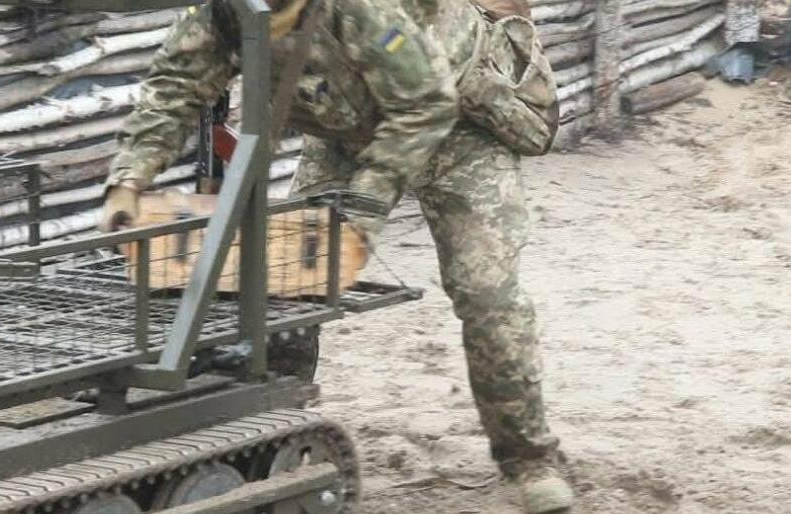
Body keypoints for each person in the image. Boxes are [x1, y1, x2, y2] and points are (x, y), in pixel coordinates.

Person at [98, 0, 572, 512]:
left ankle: (529, 459)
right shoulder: (222, 12)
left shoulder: (362, 9)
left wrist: (364, 207)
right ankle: (273, 432)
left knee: (487, 296)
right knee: (289, 278)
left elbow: (424, 106)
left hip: (456, 129)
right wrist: (130, 178)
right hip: (346, 136)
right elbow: (174, 87)